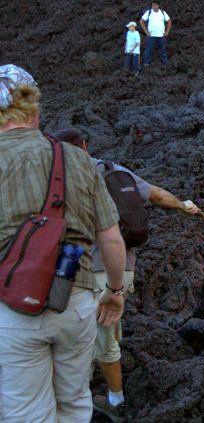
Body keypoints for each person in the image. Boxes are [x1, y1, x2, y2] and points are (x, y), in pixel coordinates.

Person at [0, 65, 126, 422]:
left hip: (12, 308)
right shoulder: (78, 159)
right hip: (76, 301)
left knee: (25, 411)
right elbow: (111, 238)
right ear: (35, 110)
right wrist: (115, 291)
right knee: (73, 402)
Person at [53, 128, 201, 422]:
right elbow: (157, 195)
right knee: (105, 331)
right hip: (123, 269)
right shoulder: (113, 170)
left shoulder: (60, 180)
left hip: (85, 273)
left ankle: (115, 401)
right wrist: (183, 205)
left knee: (99, 338)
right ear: (84, 145)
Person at [139, 2, 172, 66]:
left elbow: (169, 21)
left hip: (161, 35)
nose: (154, 6)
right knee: (148, 49)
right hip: (151, 35)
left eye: (155, 5)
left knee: (162, 49)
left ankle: (165, 62)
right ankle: (146, 62)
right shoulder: (149, 12)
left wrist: (167, 31)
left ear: (158, 5)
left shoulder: (163, 12)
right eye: (153, 5)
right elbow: (141, 21)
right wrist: (146, 31)